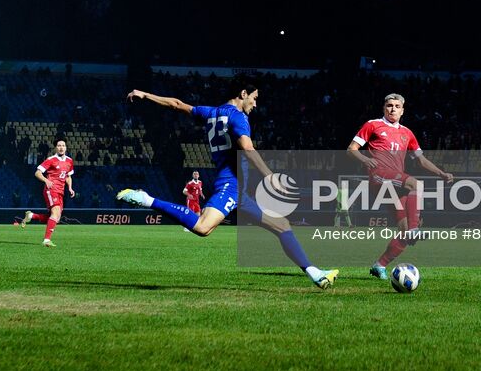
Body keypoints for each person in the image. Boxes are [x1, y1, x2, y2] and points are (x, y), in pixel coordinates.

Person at [116, 84, 338, 290]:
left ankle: (315, 273)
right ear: (243, 94)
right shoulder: (238, 117)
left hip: (237, 189)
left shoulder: (210, 112)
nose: (256, 104)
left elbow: (176, 104)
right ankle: (147, 199)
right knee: (203, 227)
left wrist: (146, 95)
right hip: (230, 185)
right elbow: (247, 148)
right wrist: (269, 176)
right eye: (255, 98)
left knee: (281, 225)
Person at [347, 93, 454, 280]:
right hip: (379, 176)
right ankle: (415, 227)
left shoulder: (407, 133)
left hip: (395, 184)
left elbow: (420, 160)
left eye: (397, 106)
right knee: (416, 184)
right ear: (384, 108)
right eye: (389, 105)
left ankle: (379, 265)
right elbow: (351, 149)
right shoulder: (372, 125)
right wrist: (365, 159)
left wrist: (441, 173)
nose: (393, 109)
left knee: (405, 234)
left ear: (402, 110)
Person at [20, 139, 75, 246]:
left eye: (63, 145)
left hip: (61, 191)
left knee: (56, 217)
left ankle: (31, 216)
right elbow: (37, 173)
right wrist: (46, 180)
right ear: (56, 148)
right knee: (56, 213)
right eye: (59, 145)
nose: (61, 147)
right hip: (51, 190)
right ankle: (46, 240)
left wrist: (70, 188)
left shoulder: (69, 161)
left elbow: (68, 176)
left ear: (66, 148)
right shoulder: (51, 160)